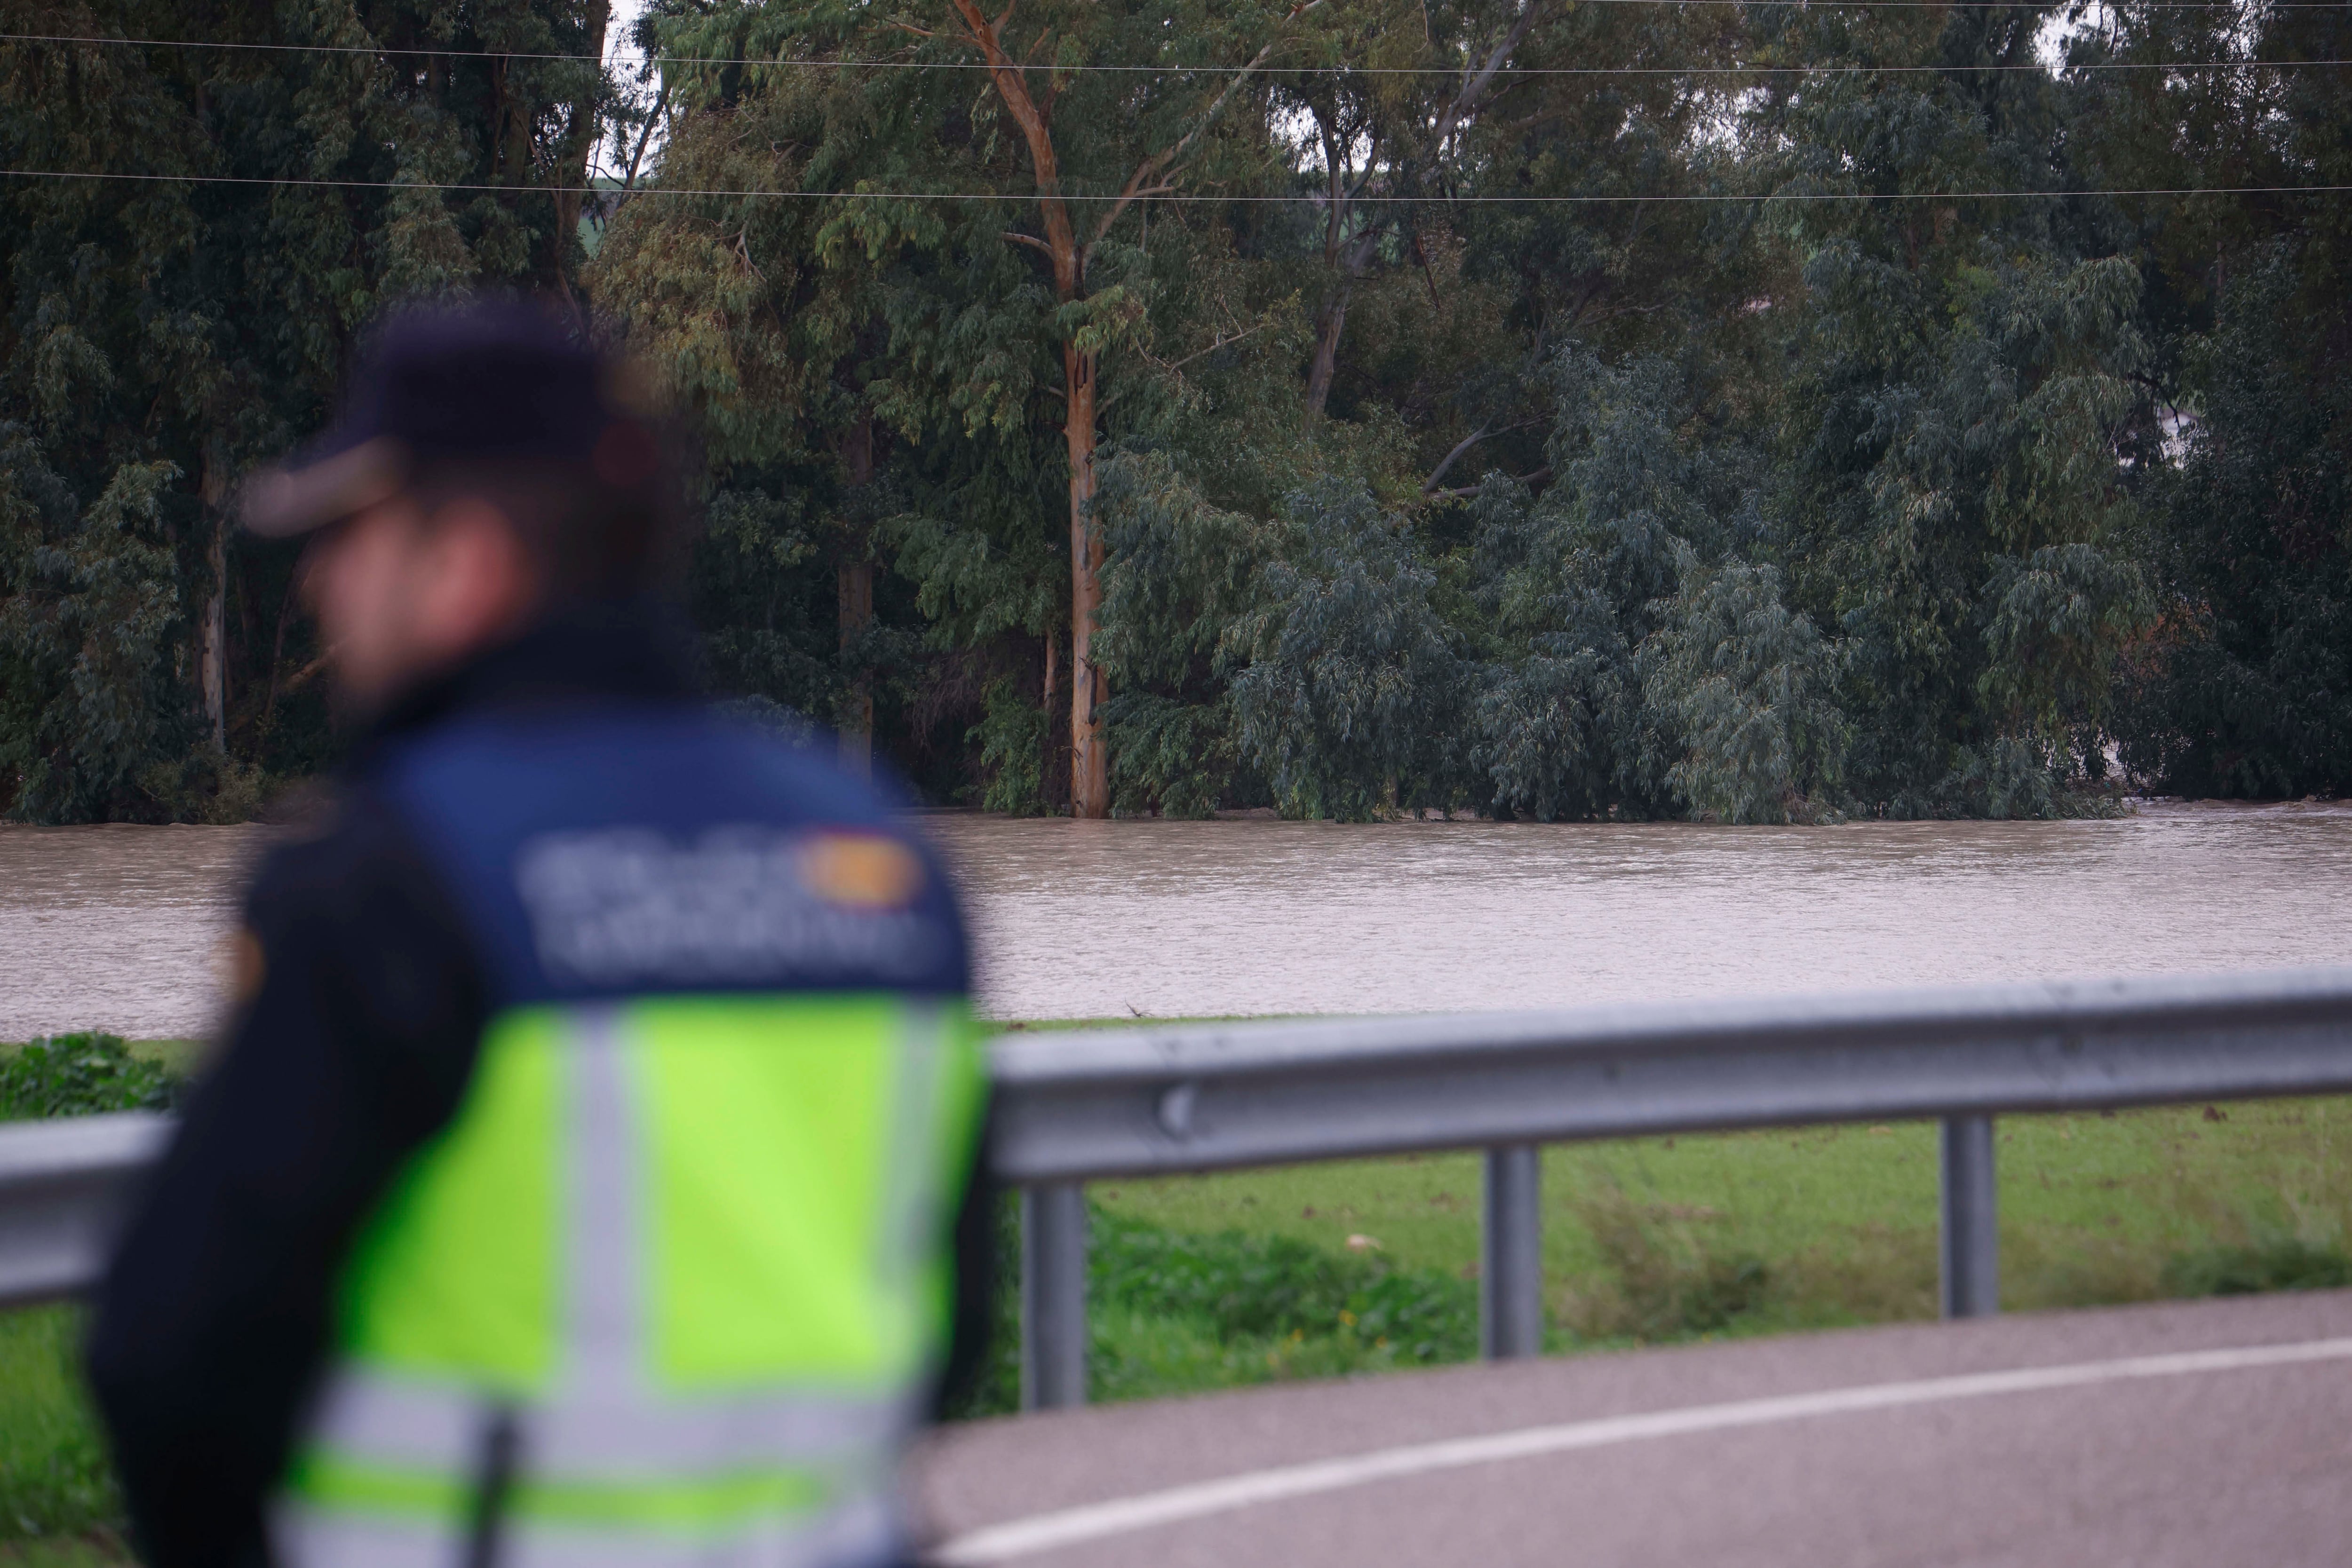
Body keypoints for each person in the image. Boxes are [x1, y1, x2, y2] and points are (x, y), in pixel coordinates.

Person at [83, 301, 996, 1568]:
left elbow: (173, 1354)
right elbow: (947, 1328)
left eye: (354, 533)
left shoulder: (394, 877)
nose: (318, 580)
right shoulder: (884, 865)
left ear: (464, 562)